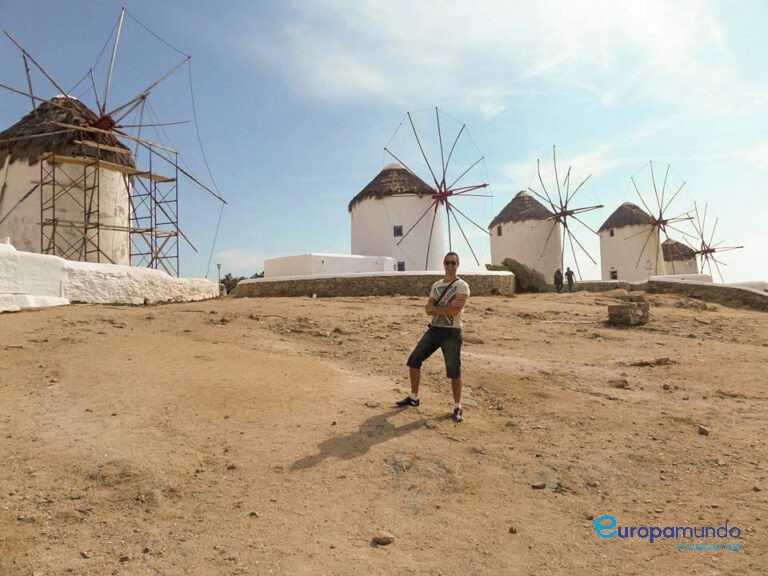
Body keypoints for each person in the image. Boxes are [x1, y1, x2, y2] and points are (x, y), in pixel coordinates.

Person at [396, 252, 470, 422]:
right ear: (443, 264)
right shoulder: (436, 285)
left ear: (457, 264)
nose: (450, 265)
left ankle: (458, 406)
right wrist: (437, 308)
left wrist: (435, 309)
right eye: (447, 262)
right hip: (435, 329)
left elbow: (453, 311)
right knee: (414, 360)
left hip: (452, 331)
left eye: (453, 263)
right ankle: (414, 398)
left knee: (454, 370)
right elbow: (427, 307)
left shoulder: (462, 286)